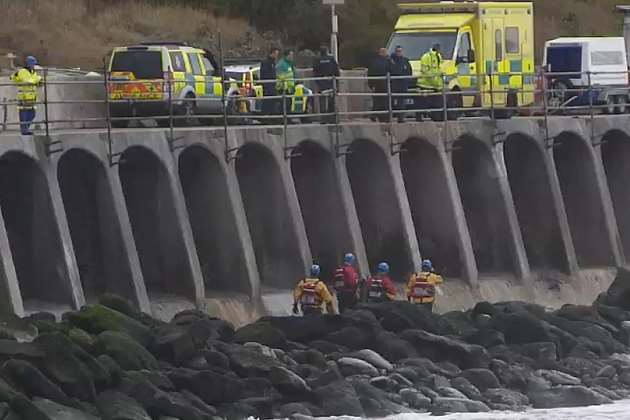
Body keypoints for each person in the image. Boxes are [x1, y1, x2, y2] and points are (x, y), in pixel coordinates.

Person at [10, 55, 41, 135]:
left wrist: (39, 81)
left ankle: (25, 128)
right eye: (33, 64)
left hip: (31, 97)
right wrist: (38, 79)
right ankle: (24, 130)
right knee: (24, 114)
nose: (34, 65)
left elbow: (36, 81)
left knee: (32, 114)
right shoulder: (23, 72)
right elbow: (29, 81)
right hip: (24, 96)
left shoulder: (33, 72)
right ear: (28, 64)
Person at [313, 46, 340, 121]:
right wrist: (336, 81)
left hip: (321, 83)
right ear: (327, 51)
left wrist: (318, 82)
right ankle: (332, 117)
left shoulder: (317, 60)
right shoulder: (331, 59)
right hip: (331, 82)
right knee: (331, 99)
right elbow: (336, 71)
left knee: (322, 101)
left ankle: (324, 118)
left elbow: (315, 72)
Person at [367, 48, 392, 122]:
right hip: (383, 83)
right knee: (384, 101)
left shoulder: (373, 61)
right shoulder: (387, 61)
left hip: (376, 84)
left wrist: (371, 85)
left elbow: (370, 74)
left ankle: (374, 115)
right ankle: (383, 117)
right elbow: (391, 69)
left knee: (377, 100)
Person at [390, 46, 413, 123]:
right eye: (397, 51)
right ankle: (390, 117)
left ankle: (401, 118)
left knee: (402, 102)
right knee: (391, 101)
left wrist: (408, 80)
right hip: (394, 84)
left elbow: (409, 71)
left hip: (403, 84)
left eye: (400, 51)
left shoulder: (405, 60)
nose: (399, 53)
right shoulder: (391, 60)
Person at [418, 44, 444, 112]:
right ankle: (420, 117)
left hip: (435, 85)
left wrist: (441, 75)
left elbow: (439, 68)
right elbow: (425, 70)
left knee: (436, 103)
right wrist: (434, 79)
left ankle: (435, 116)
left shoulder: (438, 56)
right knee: (423, 103)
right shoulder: (426, 57)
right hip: (425, 84)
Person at [260, 47, 280, 115]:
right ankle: (266, 115)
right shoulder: (266, 62)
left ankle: (271, 115)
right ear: (273, 53)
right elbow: (265, 74)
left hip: (272, 85)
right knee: (267, 101)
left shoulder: (273, 62)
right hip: (268, 86)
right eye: (276, 54)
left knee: (272, 102)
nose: (277, 56)